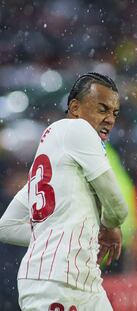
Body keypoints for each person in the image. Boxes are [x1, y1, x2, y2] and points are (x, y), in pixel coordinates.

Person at [0, 72, 128, 311]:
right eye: (102, 109)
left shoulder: (55, 157)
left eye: (114, 113)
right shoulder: (78, 129)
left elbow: (5, 227)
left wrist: (63, 234)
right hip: (57, 280)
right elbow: (117, 206)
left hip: (80, 281)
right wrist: (110, 226)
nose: (110, 119)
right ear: (75, 107)